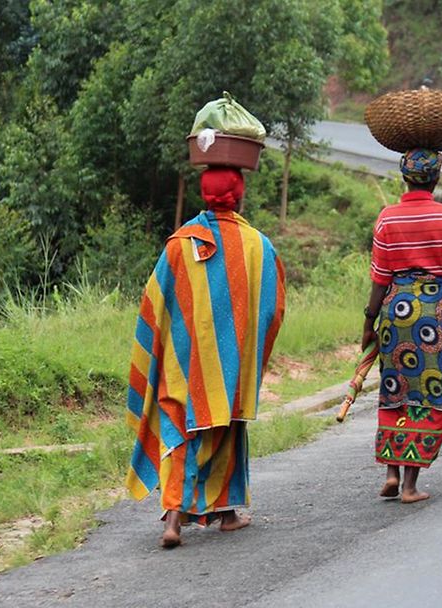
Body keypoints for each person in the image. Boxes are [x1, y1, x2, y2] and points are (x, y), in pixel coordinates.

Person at [125, 167, 286, 548]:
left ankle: (176, 521)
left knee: (180, 429)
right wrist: (247, 352)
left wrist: (165, 343)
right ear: (240, 196)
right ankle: (225, 513)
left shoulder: (178, 245)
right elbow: (272, 309)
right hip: (230, 366)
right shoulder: (258, 246)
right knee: (226, 428)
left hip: (182, 362)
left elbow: (156, 301)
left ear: (203, 194)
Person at [362, 148, 442, 504]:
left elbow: (379, 277)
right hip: (434, 313)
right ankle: (410, 486)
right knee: (428, 393)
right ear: (436, 179)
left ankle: (390, 471)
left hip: (395, 311)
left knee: (394, 390)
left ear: (404, 178)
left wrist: (369, 322)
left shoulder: (387, 219)